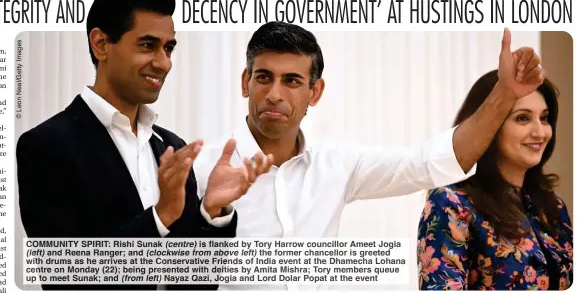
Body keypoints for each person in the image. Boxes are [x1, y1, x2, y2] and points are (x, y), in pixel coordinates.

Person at [193, 21, 545, 290]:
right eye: (263, 77)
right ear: (245, 82)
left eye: (292, 81)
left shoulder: (337, 164)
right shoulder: (198, 166)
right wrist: (210, 215)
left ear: (315, 91)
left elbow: (428, 163)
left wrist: (504, 95)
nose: (274, 94)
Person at [16, 0, 273, 291]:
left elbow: (195, 284)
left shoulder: (171, 147)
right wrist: (161, 216)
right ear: (101, 44)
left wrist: (211, 212)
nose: (164, 62)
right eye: (148, 45)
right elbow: (67, 277)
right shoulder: (47, 145)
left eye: (169, 48)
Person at [417, 71, 572, 290]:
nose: (541, 132)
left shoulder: (553, 207)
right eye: (523, 118)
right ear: (488, 126)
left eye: (544, 118)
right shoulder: (451, 203)